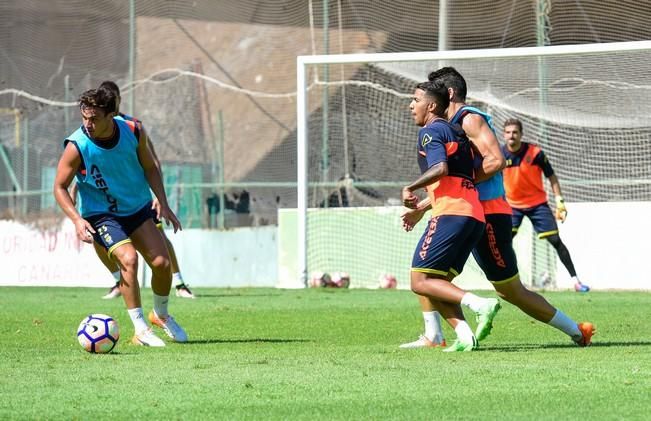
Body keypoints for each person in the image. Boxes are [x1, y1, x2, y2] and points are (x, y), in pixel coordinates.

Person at [400, 67, 594, 349]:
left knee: (509, 290)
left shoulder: (469, 120)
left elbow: (495, 161)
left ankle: (577, 331)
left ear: (449, 93)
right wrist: (425, 206)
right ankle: (435, 335)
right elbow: (454, 182)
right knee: (428, 273)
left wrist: (455, 186)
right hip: (467, 210)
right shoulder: (448, 127)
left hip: (489, 213)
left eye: (435, 91)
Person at [53, 87, 188, 346]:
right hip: (101, 215)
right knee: (129, 258)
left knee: (162, 263)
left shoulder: (133, 131)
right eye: (84, 117)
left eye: (94, 119)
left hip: (137, 208)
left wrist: (164, 202)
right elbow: (59, 187)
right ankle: (140, 329)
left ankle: (160, 315)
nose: (88, 124)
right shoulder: (77, 145)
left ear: (112, 115)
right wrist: (77, 219)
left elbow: (150, 166)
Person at [401, 80, 501, 352]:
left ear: (431, 106)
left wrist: (411, 187)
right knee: (437, 282)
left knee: (419, 281)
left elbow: (441, 168)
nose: (411, 105)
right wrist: (422, 207)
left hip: (450, 215)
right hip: (473, 216)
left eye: (416, 99)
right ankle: (465, 335)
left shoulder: (430, 131)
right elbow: (456, 178)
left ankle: (480, 304)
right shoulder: (456, 132)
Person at [85, 80, 195, 299]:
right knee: (99, 239)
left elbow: (151, 162)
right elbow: (85, 166)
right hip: (106, 203)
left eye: (113, 100)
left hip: (137, 201)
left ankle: (180, 283)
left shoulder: (132, 127)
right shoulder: (91, 129)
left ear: (117, 101)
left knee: (160, 241)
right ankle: (118, 280)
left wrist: (158, 197)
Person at [501, 117, 590, 293]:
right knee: (504, 243)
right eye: (508, 132)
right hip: (512, 206)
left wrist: (560, 202)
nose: (512, 136)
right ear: (504, 135)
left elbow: (552, 177)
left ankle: (576, 281)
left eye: (515, 132)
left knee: (555, 240)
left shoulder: (535, 153)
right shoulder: (499, 155)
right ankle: (508, 283)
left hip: (537, 204)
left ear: (521, 134)